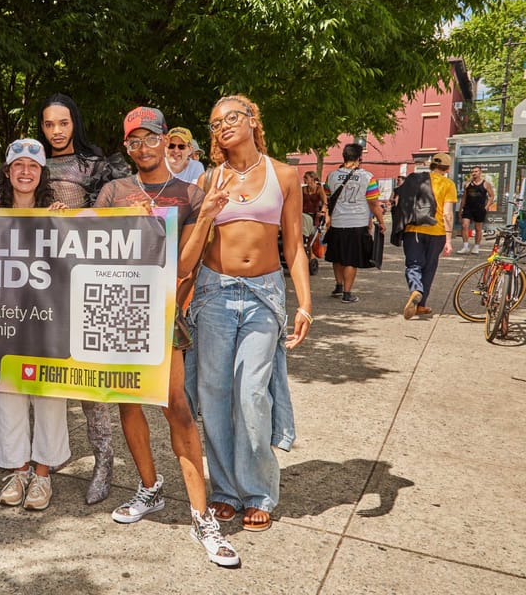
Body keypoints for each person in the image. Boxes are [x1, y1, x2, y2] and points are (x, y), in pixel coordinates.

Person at [95, 106, 239, 568]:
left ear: (165, 140)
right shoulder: (114, 191)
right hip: (117, 309)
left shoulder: (191, 193)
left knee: (177, 407)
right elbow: (86, 245)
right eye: (133, 141)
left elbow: (183, 264)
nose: (143, 147)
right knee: (128, 402)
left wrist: (209, 215)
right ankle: (150, 488)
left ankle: (202, 517)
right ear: (126, 147)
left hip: (164, 312)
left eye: (151, 138)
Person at [188, 94, 311, 535]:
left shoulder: (284, 175)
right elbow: (195, 246)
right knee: (215, 394)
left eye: (232, 117)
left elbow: (294, 246)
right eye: (215, 121)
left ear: (253, 120)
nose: (222, 126)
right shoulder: (208, 179)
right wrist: (206, 212)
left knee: (252, 394)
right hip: (213, 294)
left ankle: (258, 492)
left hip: (263, 294)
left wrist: (305, 305)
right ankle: (223, 490)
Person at [36, 93, 125, 504]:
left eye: (64, 123)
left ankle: (103, 462)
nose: (56, 131)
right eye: (50, 124)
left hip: (88, 279)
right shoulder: (31, 165)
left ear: (75, 123)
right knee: (43, 375)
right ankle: (45, 457)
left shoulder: (98, 164)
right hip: (40, 282)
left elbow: (117, 213)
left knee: (91, 379)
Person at [0, 138, 71, 510]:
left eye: (33, 166)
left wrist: (67, 225)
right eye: (18, 166)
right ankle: (17, 470)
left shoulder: (58, 214)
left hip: (47, 321)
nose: (26, 172)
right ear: (8, 171)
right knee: (6, 395)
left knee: (49, 397)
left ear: (42, 173)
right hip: (1, 320)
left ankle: (43, 475)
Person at [323, 143, 385, 303]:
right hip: (357, 223)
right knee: (351, 259)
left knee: (337, 257)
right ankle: (347, 293)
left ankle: (338, 285)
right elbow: (373, 203)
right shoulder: (367, 177)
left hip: (337, 222)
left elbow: (328, 197)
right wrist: (381, 221)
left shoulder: (332, 175)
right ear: (359, 158)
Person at [400, 152, 457, 318]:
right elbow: (447, 214)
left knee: (414, 265)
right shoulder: (448, 184)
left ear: (431, 165)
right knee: (429, 267)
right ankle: (421, 304)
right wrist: (448, 239)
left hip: (414, 229)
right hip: (436, 231)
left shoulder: (416, 180)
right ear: (446, 168)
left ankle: (415, 289)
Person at [456, 166, 494, 255]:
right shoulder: (467, 184)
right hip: (468, 208)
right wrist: (460, 209)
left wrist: (487, 206)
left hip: (480, 209)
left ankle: (476, 247)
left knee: (478, 228)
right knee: (464, 226)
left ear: (480, 172)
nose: (474, 173)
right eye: (473, 171)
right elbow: (464, 197)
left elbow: (492, 195)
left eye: (476, 171)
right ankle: (465, 246)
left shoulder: (485, 184)